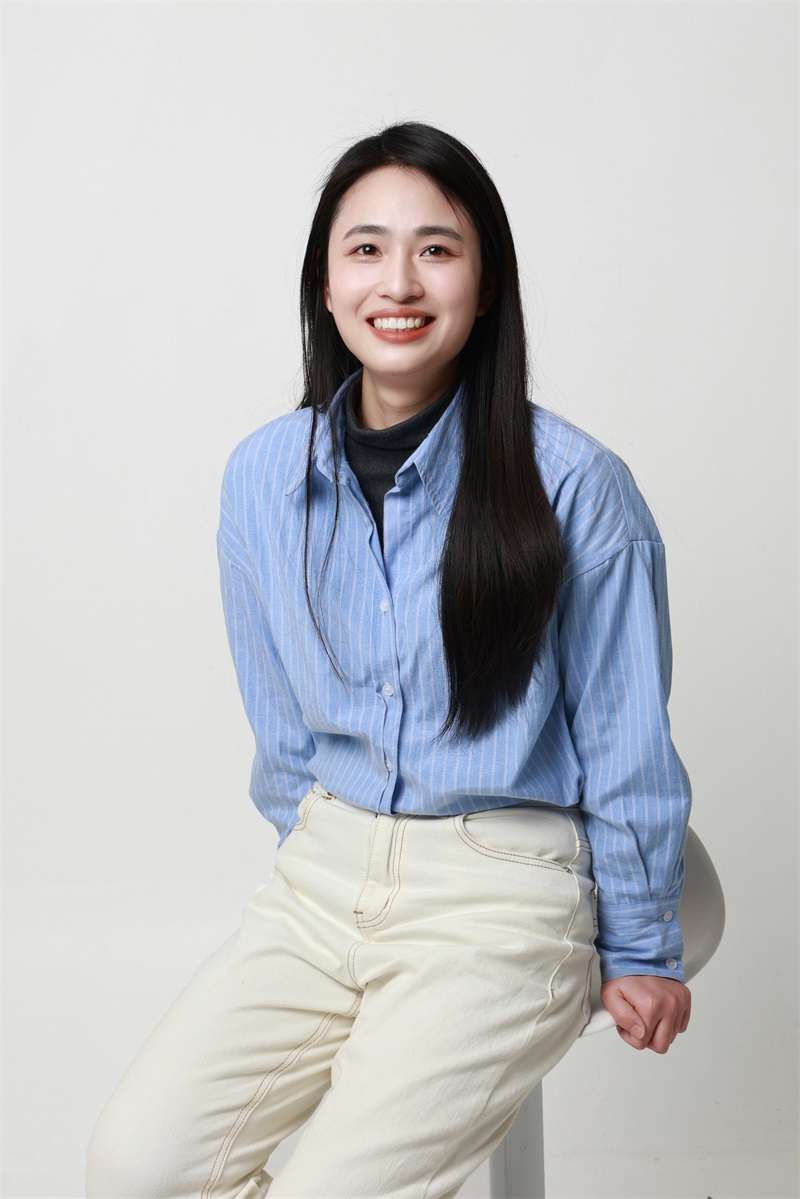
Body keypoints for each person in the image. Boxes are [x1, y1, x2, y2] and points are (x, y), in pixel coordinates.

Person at [86, 120, 693, 1199]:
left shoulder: (575, 486)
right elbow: (281, 726)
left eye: (436, 249)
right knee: (137, 1169)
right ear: (325, 284)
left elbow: (623, 739)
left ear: (485, 284)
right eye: (365, 249)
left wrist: (642, 946)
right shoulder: (263, 478)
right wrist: (327, 849)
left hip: (503, 894)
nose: (398, 282)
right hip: (322, 880)